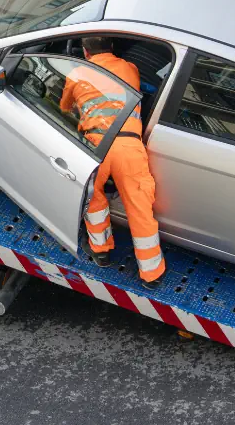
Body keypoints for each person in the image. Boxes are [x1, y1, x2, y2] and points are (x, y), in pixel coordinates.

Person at [59, 36, 166, 289]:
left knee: (93, 200)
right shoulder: (130, 68)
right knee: (139, 207)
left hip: (95, 146)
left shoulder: (76, 74)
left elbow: (64, 108)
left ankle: (101, 251)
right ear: (113, 48)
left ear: (85, 52)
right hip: (128, 145)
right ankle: (151, 274)